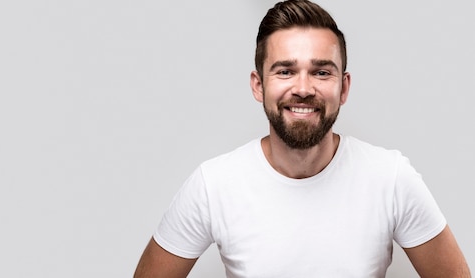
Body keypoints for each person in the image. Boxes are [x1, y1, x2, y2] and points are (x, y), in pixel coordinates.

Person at [134, 0, 471, 277]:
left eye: (322, 72)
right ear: (258, 85)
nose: (304, 88)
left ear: (344, 87)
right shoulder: (213, 185)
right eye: (285, 71)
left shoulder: (391, 177)